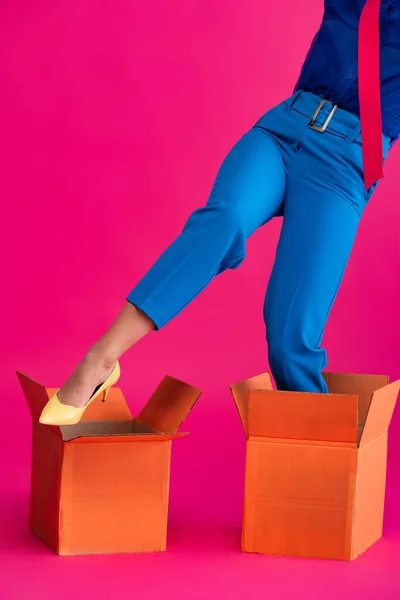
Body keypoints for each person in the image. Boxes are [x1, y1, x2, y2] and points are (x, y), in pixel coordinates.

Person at [39, 0, 399, 425]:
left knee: (290, 341)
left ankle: (316, 462)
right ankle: (99, 360)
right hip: (287, 126)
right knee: (223, 221)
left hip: (347, 159)